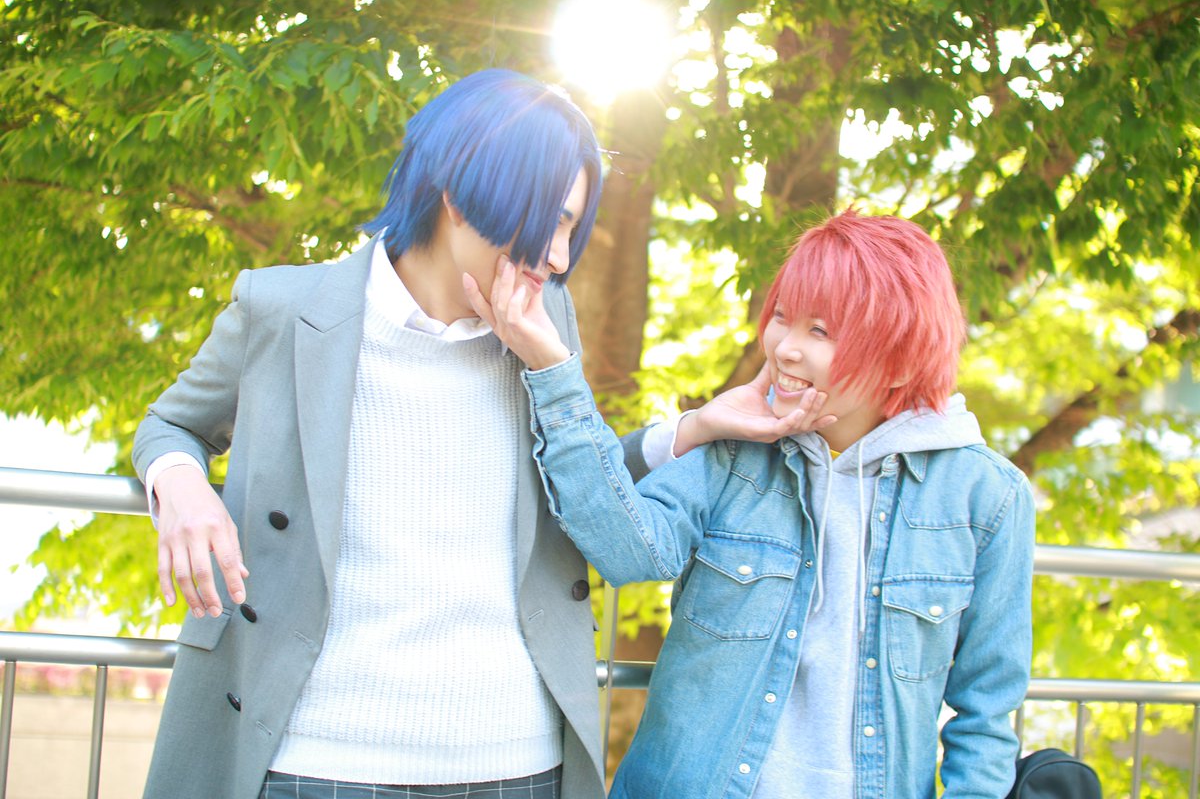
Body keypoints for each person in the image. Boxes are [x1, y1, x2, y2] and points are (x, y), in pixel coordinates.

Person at [133, 68, 621, 799]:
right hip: (315, 758)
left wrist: (673, 424)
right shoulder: (283, 309)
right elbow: (172, 422)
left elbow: (588, 490)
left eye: (569, 228)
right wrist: (178, 482)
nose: (558, 256)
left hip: (517, 762)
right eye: (548, 219)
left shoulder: (548, 324)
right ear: (460, 193)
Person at [470, 210, 1037, 798]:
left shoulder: (986, 499)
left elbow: (986, 713)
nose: (785, 348)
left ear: (900, 356)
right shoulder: (737, 455)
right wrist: (556, 370)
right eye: (782, 317)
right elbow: (625, 550)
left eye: (820, 331)